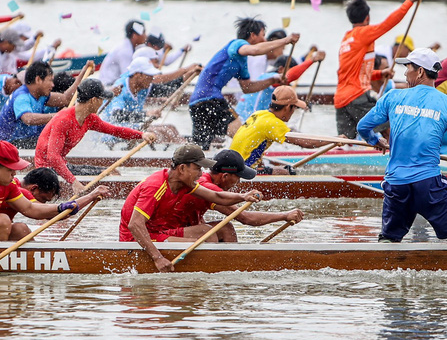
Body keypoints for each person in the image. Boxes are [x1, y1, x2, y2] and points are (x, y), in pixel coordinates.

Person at [356, 48, 447, 243]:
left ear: (420, 72)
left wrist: (376, 140)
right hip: (428, 186)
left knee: (388, 241)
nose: (405, 72)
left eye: (407, 67)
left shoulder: (392, 97)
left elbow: (363, 127)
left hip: (396, 185)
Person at [0, 141, 108, 276]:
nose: (15, 175)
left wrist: (62, 207)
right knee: (3, 221)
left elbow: (31, 209)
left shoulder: (8, 185)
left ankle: (16, 265)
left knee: (21, 229)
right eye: (12, 170)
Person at [120, 144, 262, 272]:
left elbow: (217, 197)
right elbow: (135, 224)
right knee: (205, 240)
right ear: (182, 168)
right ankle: (218, 271)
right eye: (198, 168)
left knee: (209, 231)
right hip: (135, 240)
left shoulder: (186, 183)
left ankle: (230, 268)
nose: (201, 174)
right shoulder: (155, 186)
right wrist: (157, 258)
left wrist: (243, 196)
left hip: (159, 231)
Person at [188, 18, 298, 149]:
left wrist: (272, 80)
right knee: (244, 135)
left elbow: (248, 88)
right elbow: (256, 50)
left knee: (200, 148)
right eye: (263, 36)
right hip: (211, 99)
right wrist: (285, 40)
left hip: (196, 102)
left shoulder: (241, 61)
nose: (264, 40)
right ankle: (253, 164)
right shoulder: (236, 44)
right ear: (253, 35)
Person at [334, 0, 426, 139]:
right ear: (367, 18)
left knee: (345, 143)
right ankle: (400, 158)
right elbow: (388, 24)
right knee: (388, 127)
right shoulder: (362, 33)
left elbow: (355, 73)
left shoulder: (347, 38)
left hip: (340, 99)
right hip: (356, 97)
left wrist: (380, 73)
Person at [35, 79, 155, 192]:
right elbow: (53, 157)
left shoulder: (90, 119)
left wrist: (141, 135)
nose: (102, 103)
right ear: (93, 100)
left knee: (113, 173)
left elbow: (115, 130)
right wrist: (74, 182)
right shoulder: (64, 119)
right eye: (101, 99)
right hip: (46, 171)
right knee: (110, 174)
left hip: (61, 166)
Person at [168, 149, 303, 241]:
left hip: (179, 228)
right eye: (238, 177)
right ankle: (231, 265)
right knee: (225, 230)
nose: (238, 182)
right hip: (166, 233)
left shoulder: (204, 180)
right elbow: (245, 218)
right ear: (225, 176)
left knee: (223, 228)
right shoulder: (207, 186)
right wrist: (284, 215)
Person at [230, 86, 331, 173]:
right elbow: (306, 143)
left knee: (279, 170)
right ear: (287, 107)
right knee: (287, 173)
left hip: (232, 164)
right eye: (294, 107)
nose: (293, 112)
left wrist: (264, 168)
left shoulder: (259, 114)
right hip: (242, 170)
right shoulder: (273, 123)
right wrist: (334, 140)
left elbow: (254, 146)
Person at [0, 60, 83, 148]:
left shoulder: (40, 95)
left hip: (24, 140)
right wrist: (59, 116)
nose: (52, 85)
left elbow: (66, 99)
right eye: (50, 81)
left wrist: (82, 73)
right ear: (38, 80)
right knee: (54, 141)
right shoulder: (22, 96)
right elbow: (28, 119)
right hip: (5, 145)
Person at [99, 20, 148, 86]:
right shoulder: (125, 51)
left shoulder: (127, 46)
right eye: (144, 32)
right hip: (109, 86)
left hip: (113, 83)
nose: (146, 36)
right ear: (134, 35)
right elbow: (127, 77)